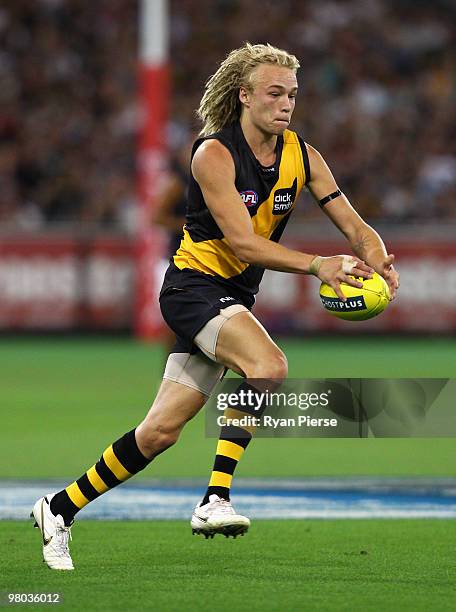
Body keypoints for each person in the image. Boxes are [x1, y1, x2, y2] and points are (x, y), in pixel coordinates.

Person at [31, 42, 399, 570]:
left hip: (232, 297)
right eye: (274, 93)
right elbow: (245, 244)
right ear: (244, 95)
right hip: (192, 288)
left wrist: (379, 258)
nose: (286, 103)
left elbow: (354, 225)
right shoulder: (214, 154)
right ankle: (215, 499)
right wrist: (320, 265)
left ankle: (59, 508)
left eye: (292, 94)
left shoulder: (304, 156)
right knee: (268, 366)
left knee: (158, 433)